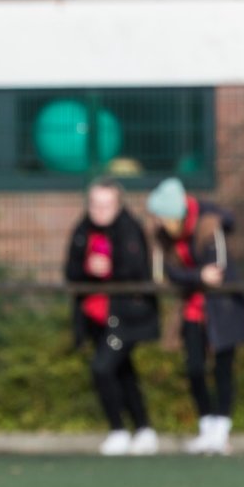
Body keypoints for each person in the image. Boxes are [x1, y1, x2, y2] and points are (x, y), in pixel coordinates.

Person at [146, 176, 244, 455]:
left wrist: (191, 276)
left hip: (221, 307)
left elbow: (215, 273)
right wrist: (196, 276)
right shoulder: (163, 236)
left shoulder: (208, 226)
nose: (156, 222)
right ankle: (207, 426)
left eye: (160, 216)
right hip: (191, 308)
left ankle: (222, 428)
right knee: (194, 367)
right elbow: (168, 274)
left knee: (223, 367)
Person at [64, 177, 160, 456]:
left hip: (126, 315)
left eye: (106, 205)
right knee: (123, 371)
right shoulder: (82, 230)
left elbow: (138, 270)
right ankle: (143, 428)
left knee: (102, 368)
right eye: (94, 204)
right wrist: (87, 269)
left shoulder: (130, 230)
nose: (99, 210)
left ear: (117, 205)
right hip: (95, 317)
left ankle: (118, 429)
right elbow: (70, 271)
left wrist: (109, 268)